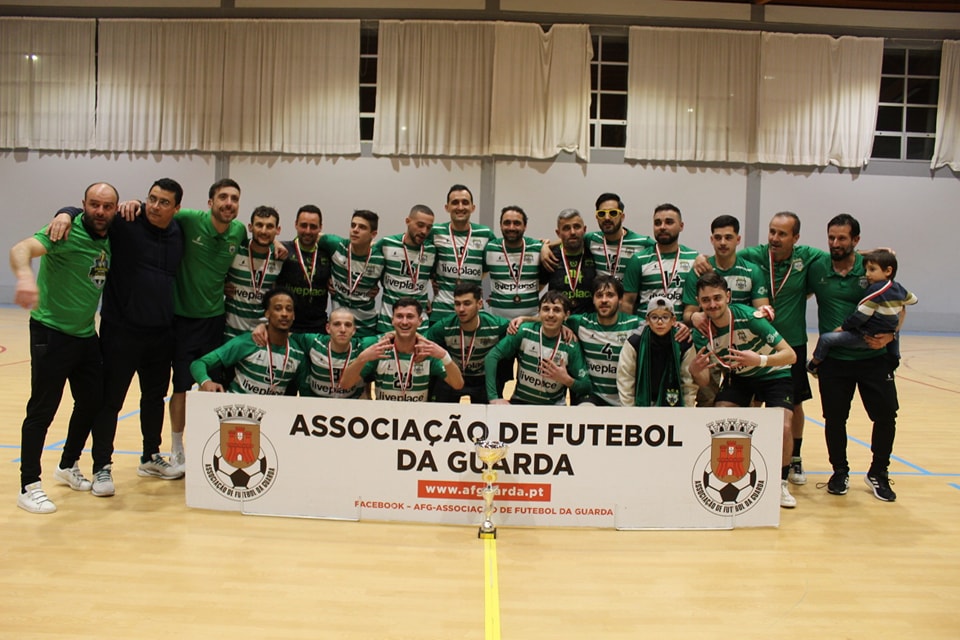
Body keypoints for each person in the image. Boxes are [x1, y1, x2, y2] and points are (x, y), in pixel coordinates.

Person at [51, 179, 186, 487]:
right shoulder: (126, 221)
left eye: (164, 202)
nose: (154, 206)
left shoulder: (180, 231)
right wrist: (64, 213)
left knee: (154, 398)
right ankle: (102, 465)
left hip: (161, 333)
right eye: (151, 198)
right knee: (110, 401)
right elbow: (92, 213)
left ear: (176, 208)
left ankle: (150, 457)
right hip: (121, 331)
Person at [10, 182, 117, 513]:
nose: (100, 211)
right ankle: (29, 484)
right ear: (83, 204)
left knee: (91, 401)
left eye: (107, 206)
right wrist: (25, 278)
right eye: (94, 204)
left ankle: (67, 464)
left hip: (85, 334)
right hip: (51, 332)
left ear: (115, 209)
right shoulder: (61, 231)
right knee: (42, 409)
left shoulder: (114, 235)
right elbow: (20, 249)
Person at [807, 214, 903, 501]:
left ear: (856, 240)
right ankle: (839, 471)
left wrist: (892, 334)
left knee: (886, 416)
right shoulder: (818, 267)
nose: (835, 244)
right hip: (835, 362)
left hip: (875, 357)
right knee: (834, 419)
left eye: (842, 238)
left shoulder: (871, 268)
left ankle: (879, 472)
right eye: (831, 238)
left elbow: (898, 303)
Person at [688, 273, 799, 509]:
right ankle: (731, 473)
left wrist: (757, 359)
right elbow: (706, 379)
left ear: (728, 296)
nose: (712, 304)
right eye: (706, 300)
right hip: (740, 377)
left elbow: (790, 354)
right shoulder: (702, 332)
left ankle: (780, 482)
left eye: (717, 298)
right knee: (721, 417)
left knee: (784, 425)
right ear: (699, 302)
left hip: (773, 374)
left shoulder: (748, 317)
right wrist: (695, 370)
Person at [738, 212, 827, 486]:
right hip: (757, 341)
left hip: (791, 343)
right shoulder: (753, 255)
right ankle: (754, 454)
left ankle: (795, 459)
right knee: (753, 400)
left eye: (782, 234)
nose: (774, 238)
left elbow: (842, 254)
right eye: (772, 232)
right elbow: (723, 257)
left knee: (794, 403)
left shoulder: (809, 256)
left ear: (796, 238)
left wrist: (876, 252)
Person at [683, 215, 771, 406]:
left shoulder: (752, 271)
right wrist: (695, 316)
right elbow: (688, 313)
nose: (723, 242)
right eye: (718, 237)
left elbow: (761, 310)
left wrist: (766, 311)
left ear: (738, 239)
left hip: (741, 350)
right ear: (711, 239)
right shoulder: (699, 270)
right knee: (707, 404)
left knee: (741, 410)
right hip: (708, 347)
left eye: (728, 237)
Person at [807, 248, 917, 375]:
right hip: (888, 333)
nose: (867, 274)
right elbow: (913, 300)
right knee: (893, 332)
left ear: (888, 271)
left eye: (872, 269)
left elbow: (861, 316)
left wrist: (844, 327)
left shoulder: (875, 292)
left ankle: (814, 364)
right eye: (866, 270)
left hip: (867, 335)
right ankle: (894, 361)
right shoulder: (898, 288)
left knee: (826, 339)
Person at [341, 297, 463, 402]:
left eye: (410, 317)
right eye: (399, 316)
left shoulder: (426, 351)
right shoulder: (380, 349)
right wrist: (362, 359)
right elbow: (345, 384)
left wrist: (444, 356)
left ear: (419, 321)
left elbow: (458, 384)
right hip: (382, 421)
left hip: (417, 421)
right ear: (392, 320)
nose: (404, 322)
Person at [190, 288, 305, 395]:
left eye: (289, 309)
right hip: (236, 411)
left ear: (294, 315)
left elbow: (307, 392)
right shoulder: (248, 342)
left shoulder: (298, 353)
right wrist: (206, 382)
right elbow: (198, 364)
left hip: (271, 414)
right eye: (278, 308)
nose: (284, 314)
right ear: (267, 314)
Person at [484, 291, 592, 405]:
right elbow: (491, 357)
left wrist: (566, 379)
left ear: (566, 315)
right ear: (539, 312)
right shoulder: (524, 332)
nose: (550, 314)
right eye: (546, 309)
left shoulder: (570, 344)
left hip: (553, 408)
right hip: (521, 403)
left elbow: (586, 386)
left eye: (557, 310)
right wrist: (493, 397)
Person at [425, 282, 510, 404]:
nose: (461, 309)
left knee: (491, 415)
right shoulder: (445, 325)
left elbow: (524, 330)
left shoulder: (497, 325)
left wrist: (523, 319)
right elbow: (422, 340)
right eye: (457, 304)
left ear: (479, 304)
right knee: (439, 410)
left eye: (467, 303)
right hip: (455, 376)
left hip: (482, 379)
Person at [565, 276, 642, 406]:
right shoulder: (581, 323)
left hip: (624, 397)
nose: (604, 300)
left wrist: (680, 327)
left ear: (621, 299)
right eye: (599, 295)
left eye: (610, 295)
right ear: (593, 300)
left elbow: (660, 326)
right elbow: (550, 320)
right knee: (584, 410)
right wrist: (524, 318)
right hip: (592, 396)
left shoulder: (634, 325)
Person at [621, 203, 699, 319]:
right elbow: (628, 302)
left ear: (681, 226)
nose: (662, 227)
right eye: (657, 223)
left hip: (680, 332)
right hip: (646, 330)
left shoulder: (694, 259)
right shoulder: (639, 259)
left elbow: (695, 303)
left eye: (669, 222)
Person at [617, 296, 697, 407]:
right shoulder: (634, 343)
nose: (660, 322)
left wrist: (686, 412)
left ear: (673, 320)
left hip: (673, 405)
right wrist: (630, 412)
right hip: (642, 405)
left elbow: (688, 383)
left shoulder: (684, 343)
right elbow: (625, 380)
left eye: (665, 317)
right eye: (654, 317)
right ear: (647, 320)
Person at [316, 210, 385, 339]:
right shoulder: (336, 245)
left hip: (366, 327)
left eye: (362, 227)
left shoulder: (380, 258)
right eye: (353, 225)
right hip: (339, 326)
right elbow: (306, 236)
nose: (355, 230)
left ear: (373, 234)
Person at [429, 185, 494, 322]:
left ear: (473, 207)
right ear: (447, 207)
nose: (460, 207)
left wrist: (546, 246)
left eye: (465, 202)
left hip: (473, 312)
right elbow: (414, 250)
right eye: (455, 203)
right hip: (441, 311)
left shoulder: (485, 234)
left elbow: (490, 265)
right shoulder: (435, 231)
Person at [224, 205, 284, 341]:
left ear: (278, 230)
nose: (264, 231)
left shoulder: (280, 257)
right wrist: (222, 287)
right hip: (229, 333)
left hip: (261, 336)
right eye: (259, 225)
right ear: (250, 227)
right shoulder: (235, 251)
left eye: (269, 226)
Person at [378, 205, 437, 332]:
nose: (424, 231)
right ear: (407, 221)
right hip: (388, 325)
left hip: (420, 328)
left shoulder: (432, 251)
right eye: (420, 225)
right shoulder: (387, 244)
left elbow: (436, 278)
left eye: (428, 227)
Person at [276, 204, 332, 334]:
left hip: (318, 328)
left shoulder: (328, 254)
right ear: (296, 224)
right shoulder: (282, 250)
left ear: (320, 228)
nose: (307, 231)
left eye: (313, 227)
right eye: (303, 225)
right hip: (287, 327)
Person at [484, 205, 544, 320]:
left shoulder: (537, 248)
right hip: (499, 321)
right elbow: (477, 272)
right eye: (507, 223)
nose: (511, 227)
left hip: (530, 321)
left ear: (525, 226)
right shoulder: (490, 248)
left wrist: (545, 246)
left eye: (517, 223)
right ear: (500, 225)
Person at [539, 208, 597, 315]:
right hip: (558, 324)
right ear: (558, 233)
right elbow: (536, 290)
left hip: (588, 323)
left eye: (577, 227)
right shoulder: (550, 256)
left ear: (584, 230)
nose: (573, 232)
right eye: (566, 228)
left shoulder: (595, 253)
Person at [586, 193, 652, 280]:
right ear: (597, 217)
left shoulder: (643, 243)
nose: (607, 218)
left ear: (622, 217)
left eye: (613, 213)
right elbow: (567, 239)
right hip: (603, 293)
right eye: (601, 214)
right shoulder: (591, 239)